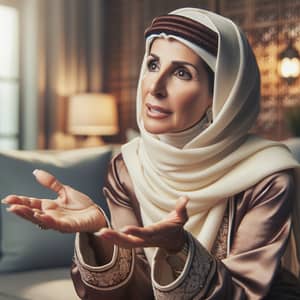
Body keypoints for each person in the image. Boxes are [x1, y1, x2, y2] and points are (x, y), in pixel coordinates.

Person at [2, 7, 300, 300]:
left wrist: (179, 250)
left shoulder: (267, 175)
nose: (155, 87)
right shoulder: (127, 167)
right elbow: (134, 292)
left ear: (220, 94)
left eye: (182, 73)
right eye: (153, 65)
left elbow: (244, 294)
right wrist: (98, 234)